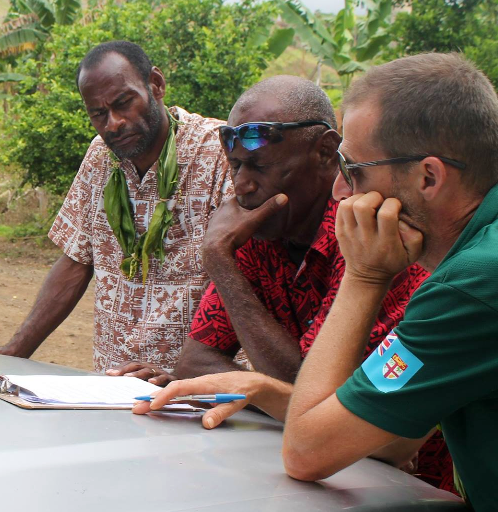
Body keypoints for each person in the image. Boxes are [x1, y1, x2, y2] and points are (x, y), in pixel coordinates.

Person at [281, 53, 498, 509]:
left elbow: (305, 452)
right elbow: (397, 438)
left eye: (352, 170)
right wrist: (264, 390)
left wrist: (364, 276)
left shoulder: (472, 285)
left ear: (428, 176)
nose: (340, 192)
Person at [115, 76, 428, 385]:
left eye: (260, 166)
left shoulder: (373, 239)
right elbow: (196, 363)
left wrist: (220, 262)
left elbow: (317, 395)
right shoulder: (257, 233)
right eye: (235, 166)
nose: (242, 185)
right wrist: (256, 392)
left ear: (325, 152)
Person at [0, 41, 233, 376]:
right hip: (112, 386)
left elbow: (241, 275)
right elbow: (76, 259)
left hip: (200, 393)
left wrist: (186, 376)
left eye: (124, 103)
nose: (113, 123)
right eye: (98, 114)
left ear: (156, 85)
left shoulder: (219, 152)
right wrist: (15, 350)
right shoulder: (101, 157)